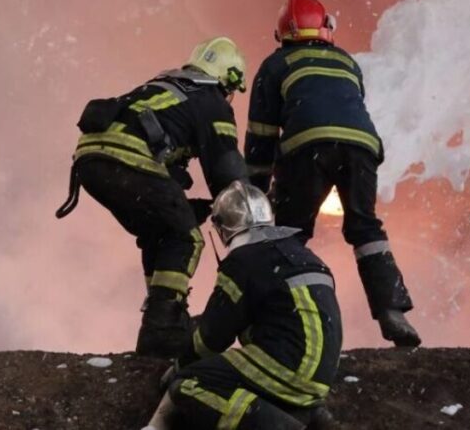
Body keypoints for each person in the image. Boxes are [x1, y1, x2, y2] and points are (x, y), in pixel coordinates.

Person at [244, 0, 420, 347]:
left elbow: (261, 135)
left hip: (307, 147)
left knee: (288, 234)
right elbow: (347, 108)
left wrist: (256, 191)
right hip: (362, 147)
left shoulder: (276, 64)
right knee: (365, 226)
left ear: (282, 35)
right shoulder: (346, 61)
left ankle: (277, 320)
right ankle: (391, 311)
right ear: (326, 27)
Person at [55, 36, 249, 358]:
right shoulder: (211, 101)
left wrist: (195, 208)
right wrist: (246, 215)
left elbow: (163, 181)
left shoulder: (168, 86)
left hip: (92, 161)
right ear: (228, 79)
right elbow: (227, 170)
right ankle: (162, 328)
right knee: (185, 239)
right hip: (127, 158)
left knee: (160, 234)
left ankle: (162, 320)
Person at [146, 180, 341, 430]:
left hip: (284, 366)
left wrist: (179, 367)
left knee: (190, 385)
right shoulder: (301, 254)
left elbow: (212, 338)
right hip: (318, 378)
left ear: (222, 227)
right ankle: (310, 415)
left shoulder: (243, 260)